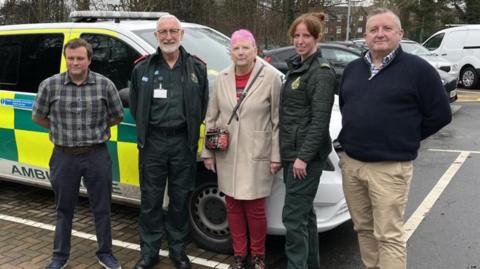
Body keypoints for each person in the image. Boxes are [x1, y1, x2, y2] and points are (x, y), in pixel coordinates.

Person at [338, 8, 452, 269]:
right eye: (374, 29)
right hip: (352, 165)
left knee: (389, 236)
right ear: (365, 35)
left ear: (400, 33)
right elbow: (347, 106)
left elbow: (441, 114)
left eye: (386, 28)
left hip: (389, 169)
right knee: (364, 229)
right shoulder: (353, 69)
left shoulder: (418, 70)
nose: (380, 34)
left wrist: (406, 136)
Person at [32, 38, 124, 269]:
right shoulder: (49, 85)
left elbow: (117, 115)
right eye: (70, 58)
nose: (75, 63)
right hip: (64, 156)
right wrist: (61, 130)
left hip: (97, 155)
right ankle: (59, 257)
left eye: (80, 58)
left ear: (89, 60)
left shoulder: (105, 85)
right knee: (64, 209)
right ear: (66, 59)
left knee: (102, 207)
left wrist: (95, 131)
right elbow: (38, 116)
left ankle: (105, 253)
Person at [129, 14, 208, 269]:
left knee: (179, 199)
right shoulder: (142, 68)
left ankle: (177, 250)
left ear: (181, 34)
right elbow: (135, 106)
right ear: (156, 36)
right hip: (153, 143)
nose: (168, 36)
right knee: (150, 200)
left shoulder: (197, 68)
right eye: (163, 32)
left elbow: (203, 104)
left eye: (173, 31)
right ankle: (149, 251)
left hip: (182, 144)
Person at [202, 29, 282, 269]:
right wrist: (208, 152)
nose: (241, 52)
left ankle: (257, 255)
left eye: (246, 47)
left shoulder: (270, 77)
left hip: (258, 151)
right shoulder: (222, 77)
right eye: (236, 48)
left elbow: (278, 120)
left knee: (255, 208)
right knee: (234, 206)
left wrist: (276, 155)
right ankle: (239, 254)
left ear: (255, 50)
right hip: (228, 152)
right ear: (231, 52)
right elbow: (212, 116)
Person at [279, 12, 336, 269]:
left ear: (317, 38)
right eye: (297, 35)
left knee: (293, 218)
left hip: (304, 159)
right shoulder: (299, 66)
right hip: (293, 155)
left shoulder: (321, 72)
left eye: (306, 36)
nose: (300, 41)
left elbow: (320, 121)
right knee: (305, 216)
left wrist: (303, 157)